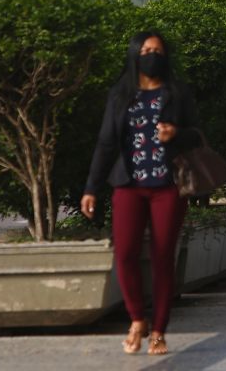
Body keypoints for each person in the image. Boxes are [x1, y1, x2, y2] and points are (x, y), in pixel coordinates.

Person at [81, 31, 200, 355]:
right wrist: (91, 187)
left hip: (167, 187)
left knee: (163, 257)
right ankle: (137, 320)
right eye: (146, 50)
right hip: (128, 186)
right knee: (125, 253)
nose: (152, 55)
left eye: (158, 51)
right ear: (135, 54)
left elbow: (197, 136)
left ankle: (159, 330)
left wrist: (176, 133)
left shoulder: (177, 93)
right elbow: (106, 143)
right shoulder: (121, 95)